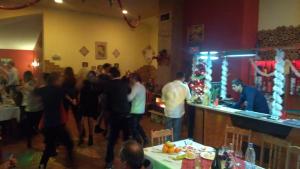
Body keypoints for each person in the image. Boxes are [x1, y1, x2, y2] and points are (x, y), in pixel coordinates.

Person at [35, 72, 74, 169]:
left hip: (47, 123)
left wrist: (39, 79)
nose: (61, 81)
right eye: (60, 79)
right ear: (55, 80)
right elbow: (72, 91)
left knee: (48, 148)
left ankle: (41, 165)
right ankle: (71, 161)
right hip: (57, 123)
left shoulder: (43, 90)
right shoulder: (59, 90)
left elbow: (35, 91)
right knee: (69, 143)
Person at [105, 67, 131, 169]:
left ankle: (109, 162)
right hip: (126, 114)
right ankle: (128, 160)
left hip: (115, 115)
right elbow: (128, 93)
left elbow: (106, 100)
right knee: (126, 138)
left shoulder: (109, 85)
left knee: (112, 140)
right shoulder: (124, 83)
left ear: (111, 75)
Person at [162, 72, 191, 141]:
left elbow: (163, 100)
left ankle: (166, 145)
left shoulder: (167, 85)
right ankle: (174, 147)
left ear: (176, 77)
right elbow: (189, 99)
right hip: (178, 113)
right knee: (176, 131)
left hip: (168, 111)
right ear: (183, 78)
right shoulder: (185, 87)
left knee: (167, 131)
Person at [21, 71, 43, 148]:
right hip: (38, 108)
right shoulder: (32, 84)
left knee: (30, 127)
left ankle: (29, 142)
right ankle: (32, 141)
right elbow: (35, 91)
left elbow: (34, 91)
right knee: (37, 126)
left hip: (31, 109)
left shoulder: (27, 85)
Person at [79, 71, 99, 146]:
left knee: (87, 120)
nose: (90, 77)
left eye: (91, 76)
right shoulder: (90, 83)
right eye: (89, 76)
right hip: (86, 103)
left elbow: (98, 94)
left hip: (89, 103)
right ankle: (85, 137)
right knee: (83, 120)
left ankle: (89, 137)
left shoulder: (94, 84)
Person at [128, 73, 148, 146]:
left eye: (130, 78)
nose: (130, 79)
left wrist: (123, 97)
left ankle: (138, 141)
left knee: (133, 127)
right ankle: (145, 138)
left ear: (134, 78)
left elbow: (130, 98)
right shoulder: (142, 86)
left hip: (135, 110)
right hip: (141, 109)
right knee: (137, 126)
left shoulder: (135, 87)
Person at [62, 67, 82, 137]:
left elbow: (64, 93)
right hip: (74, 100)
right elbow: (78, 91)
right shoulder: (75, 80)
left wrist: (70, 99)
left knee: (64, 119)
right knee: (77, 119)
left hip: (66, 101)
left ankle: (63, 136)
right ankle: (81, 135)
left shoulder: (64, 82)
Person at [94, 63, 112, 134]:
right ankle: (107, 129)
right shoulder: (104, 76)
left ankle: (97, 126)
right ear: (106, 68)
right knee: (105, 113)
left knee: (102, 112)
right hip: (104, 95)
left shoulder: (102, 75)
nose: (110, 68)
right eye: (109, 67)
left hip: (102, 95)